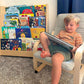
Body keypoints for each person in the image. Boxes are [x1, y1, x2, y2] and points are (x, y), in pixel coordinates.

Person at [39, 15, 83, 84]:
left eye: (71, 25)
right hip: (55, 46)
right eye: (66, 25)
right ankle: (48, 51)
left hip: (65, 51)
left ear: (77, 26)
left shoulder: (77, 35)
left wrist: (75, 49)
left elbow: (79, 47)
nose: (68, 27)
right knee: (42, 34)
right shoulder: (62, 31)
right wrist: (53, 38)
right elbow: (56, 38)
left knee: (56, 58)